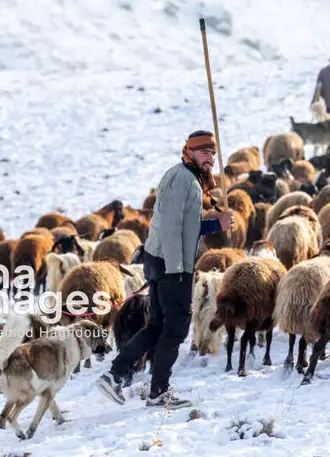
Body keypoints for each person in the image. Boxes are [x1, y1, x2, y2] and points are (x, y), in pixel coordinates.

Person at [95, 130, 234, 409]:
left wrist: (213, 224)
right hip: (172, 263)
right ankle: (153, 388)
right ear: (189, 151)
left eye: (213, 153)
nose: (210, 158)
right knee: (176, 327)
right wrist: (178, 268)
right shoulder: (184, 180)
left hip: (160, 259)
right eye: (204, 152)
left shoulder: (183, 176)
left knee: (158, 325)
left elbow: (185, 225)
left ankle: (119, 375)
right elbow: (173, 227)